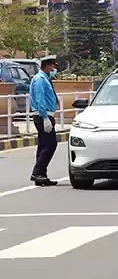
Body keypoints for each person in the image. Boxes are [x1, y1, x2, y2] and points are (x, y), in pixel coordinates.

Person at [29, 56, 59, 186]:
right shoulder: (40, 79)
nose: (54, 69)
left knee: (43, 145)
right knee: (50, 145)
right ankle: (37, 173)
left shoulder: (45, 78)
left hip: (46, 115)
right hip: (42, 116)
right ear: (47, 66)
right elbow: (40, 99)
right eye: (53, 66)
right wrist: (45, 118)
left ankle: (41, 175)